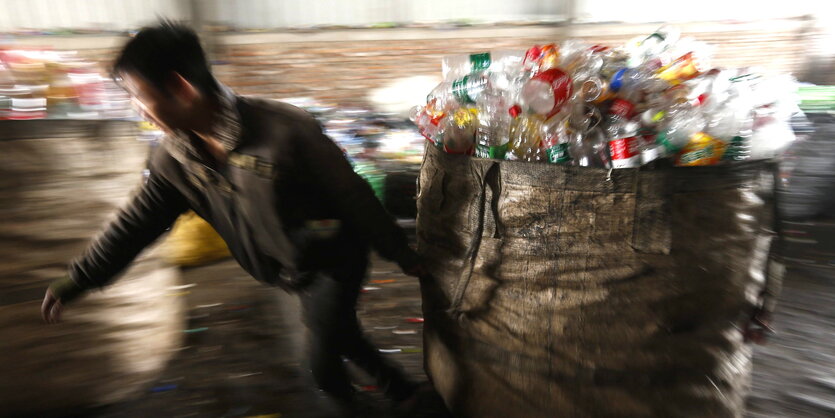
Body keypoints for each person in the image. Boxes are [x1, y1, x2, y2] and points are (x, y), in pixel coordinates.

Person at [41, 21, 424, 415]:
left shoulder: (286, 130)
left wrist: (400, 251)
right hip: (285, 269)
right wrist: (79, 279)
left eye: (140, 96)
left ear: (180, 88)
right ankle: (403, 389)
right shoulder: (174, 160)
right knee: (340, 333)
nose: (137, 109)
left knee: (323, 362)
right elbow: (134, 226)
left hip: (334, 259)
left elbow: (352, 195)